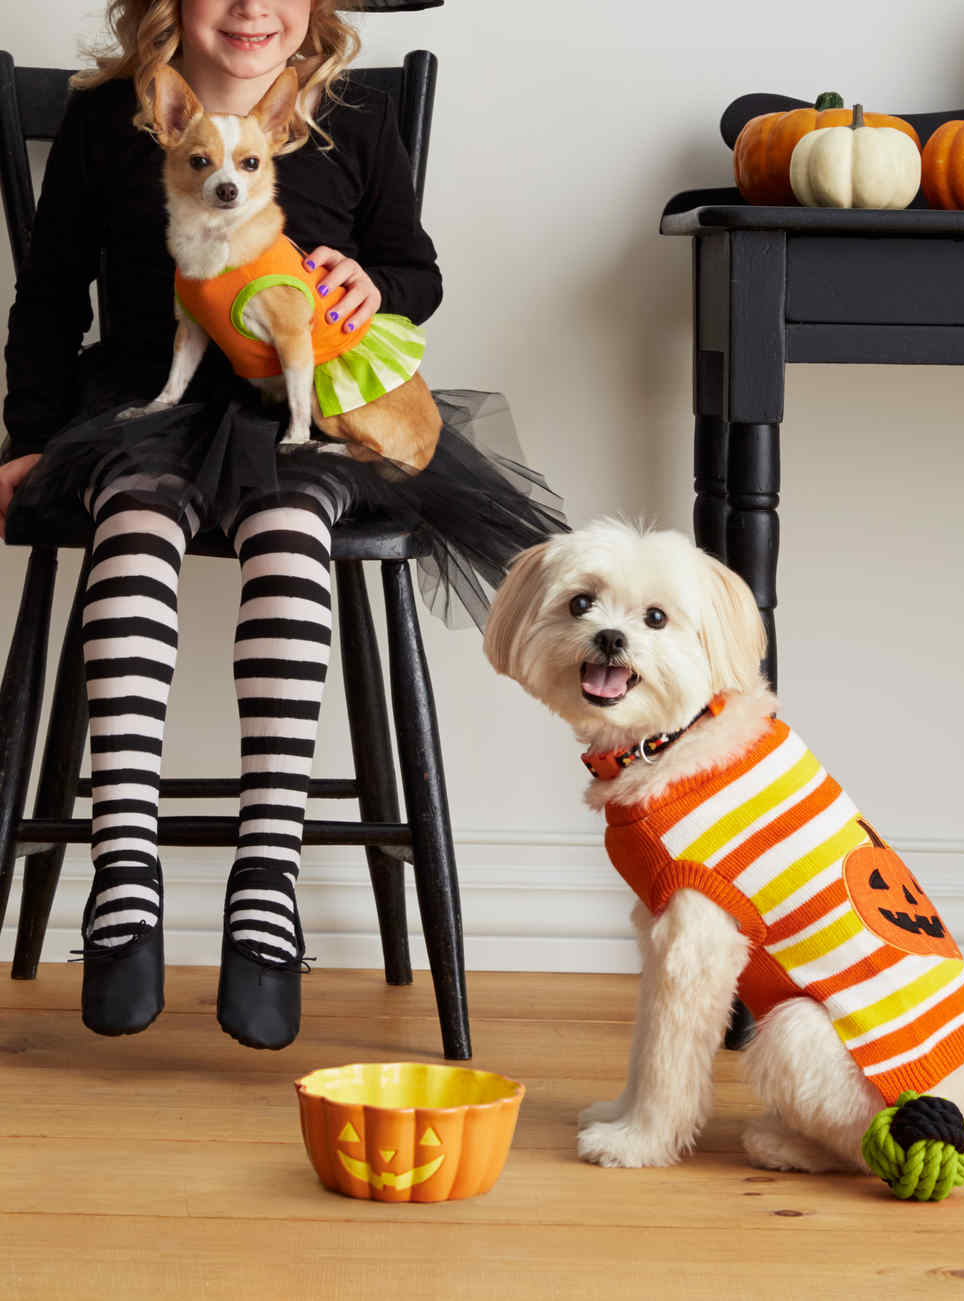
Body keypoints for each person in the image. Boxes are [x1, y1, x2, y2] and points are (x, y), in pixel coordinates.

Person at [0, 0, 565, 1050]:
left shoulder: (351, 119)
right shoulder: (108, 122)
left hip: (300, 415)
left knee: (294, 528)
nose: (253, 8)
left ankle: (270, 873)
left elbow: (415, 268)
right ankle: (123, 864)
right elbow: (45, 297)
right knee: (132, 522)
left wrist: (373, 280)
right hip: (144, 406)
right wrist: (27, 435)